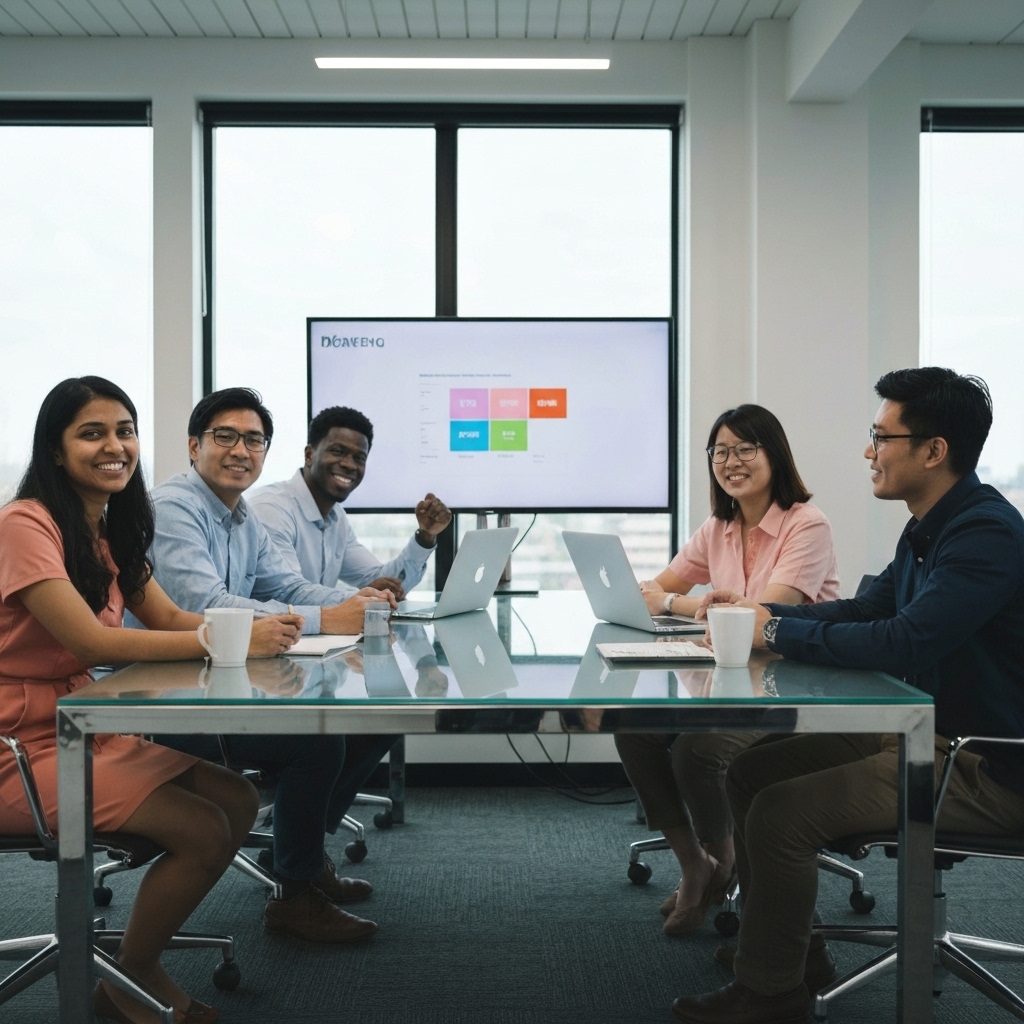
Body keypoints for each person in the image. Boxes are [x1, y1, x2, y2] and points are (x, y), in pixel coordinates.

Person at [672, 368, 1024, 1024]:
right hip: (924, 734)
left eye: (882, 437)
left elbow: (903, 641)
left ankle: (769, 994)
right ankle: (789, 954)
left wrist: (772, 630)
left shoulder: (985, 534)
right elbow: (864, 611)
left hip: (987, 764)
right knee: (749, 773)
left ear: (934, 450)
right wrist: (761, 620)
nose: (869, 450)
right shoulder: (928, 528)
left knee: (780, 813)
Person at [0, 376, 301, 1024]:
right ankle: (134, 980)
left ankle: (128, 975)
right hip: (17, 747)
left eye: (125, 431)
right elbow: (89, 639)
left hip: (82, 725)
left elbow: (167, 617)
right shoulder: (24, 523)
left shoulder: (108, 527)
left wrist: (254, 632)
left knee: (236, 798)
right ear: (55, 450)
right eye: (92, 433)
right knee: (202, 829)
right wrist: (224, 642)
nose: (115, 446)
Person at [138, 387, 396, 945]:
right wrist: (329, 617)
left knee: (374, 720)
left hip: (219, 679)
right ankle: (293, 897)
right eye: (225, 437)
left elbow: (288, 584)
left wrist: (353, 604)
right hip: (164, 697)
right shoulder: (174, 507)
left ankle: (300, 856)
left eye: (253, 440)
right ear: (194, 446)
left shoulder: (242, 515)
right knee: (317, 742)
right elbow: (205, 604)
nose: (241, 450)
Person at [615, 405, 839, 935]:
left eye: (745, 449)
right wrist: (656, 596)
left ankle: (726, 864)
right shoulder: (719, 526)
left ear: (773, 454)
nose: (731, 462)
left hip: (791, 683)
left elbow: (761, 615)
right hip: (730, 677)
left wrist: (674, 604)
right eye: (720, 452)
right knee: (633, 730)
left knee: (697, 751)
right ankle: (697, 864)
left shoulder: (806, 524)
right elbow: (660, 585)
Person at [249, 404, 452, 694]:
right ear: (309, 454)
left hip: (312, 670)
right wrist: (363, 598)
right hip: (273, 678)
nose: (349, 464)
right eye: (338, 451)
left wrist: (426, 536)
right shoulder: (273, 509)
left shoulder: (336, 518)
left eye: (359, 458)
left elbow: (388, 585)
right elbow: (287, 593)